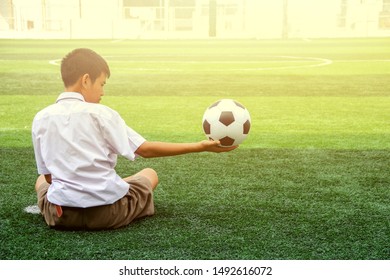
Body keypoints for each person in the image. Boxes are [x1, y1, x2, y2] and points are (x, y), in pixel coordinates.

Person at [32, 48, 237, 230]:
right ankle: (112, 186)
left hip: (61, 217)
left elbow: (50, 178)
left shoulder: (41, 118)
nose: (102, 92)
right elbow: (145, 150)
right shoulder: (103, 114)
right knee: (149, 174)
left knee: (40, 180)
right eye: (101, 84)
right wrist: (200, 146)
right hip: (108, 214)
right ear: (86, 80)